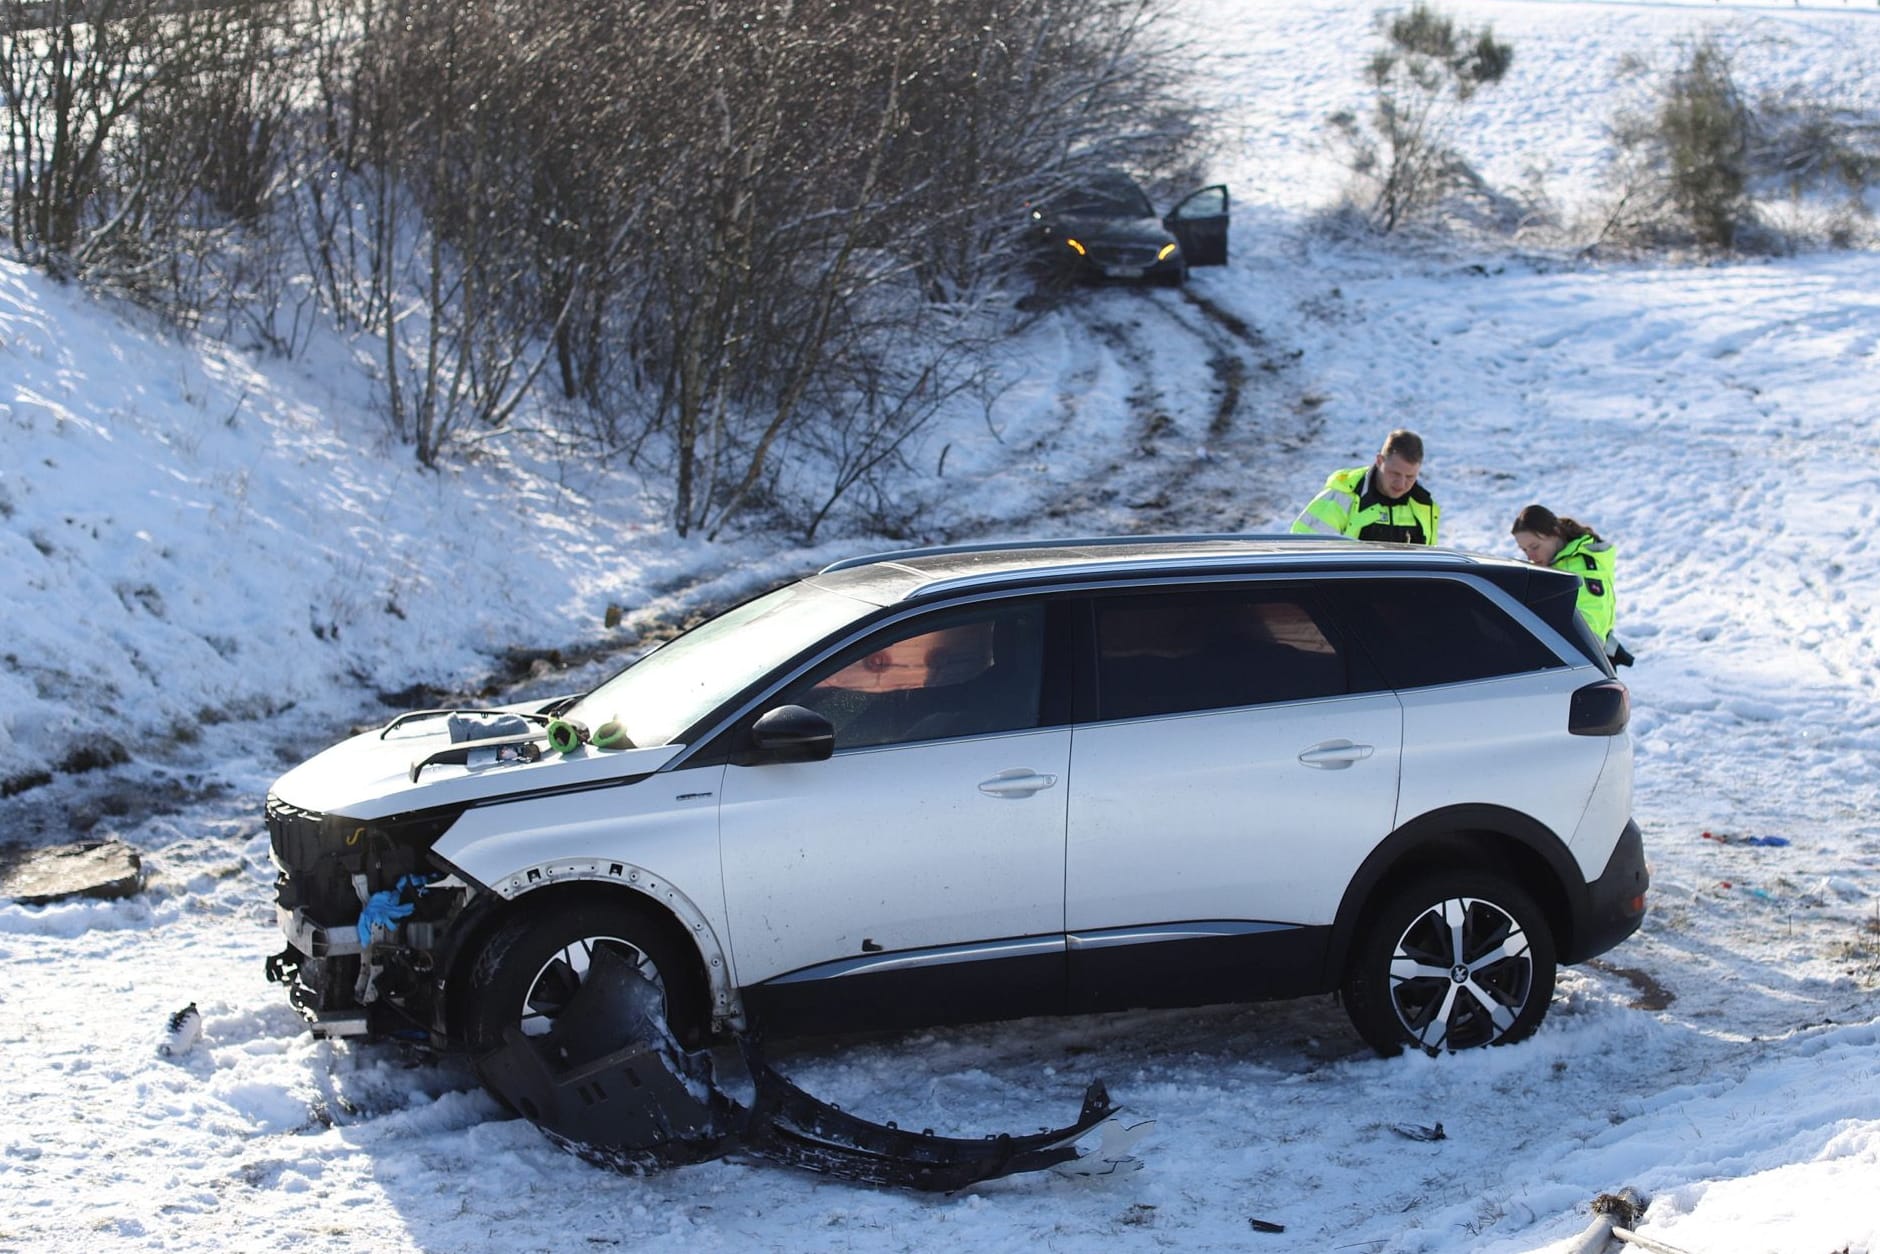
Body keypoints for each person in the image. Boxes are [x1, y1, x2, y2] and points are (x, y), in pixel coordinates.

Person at [1510, 504, 1633, 666]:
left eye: (1535, 547)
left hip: (1585, 662)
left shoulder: (1579, 567)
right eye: (1524, 550)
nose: (1531, 556)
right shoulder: (1558, 564)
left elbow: (1592, 618)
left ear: (1555, 532)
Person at [1290, 429, 1439, 545]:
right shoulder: (1341, 498)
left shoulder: (1424, 508)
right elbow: (1303, 554)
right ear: (1380, 461)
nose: (1401, 484)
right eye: (1395, 473)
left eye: (1410, 477)